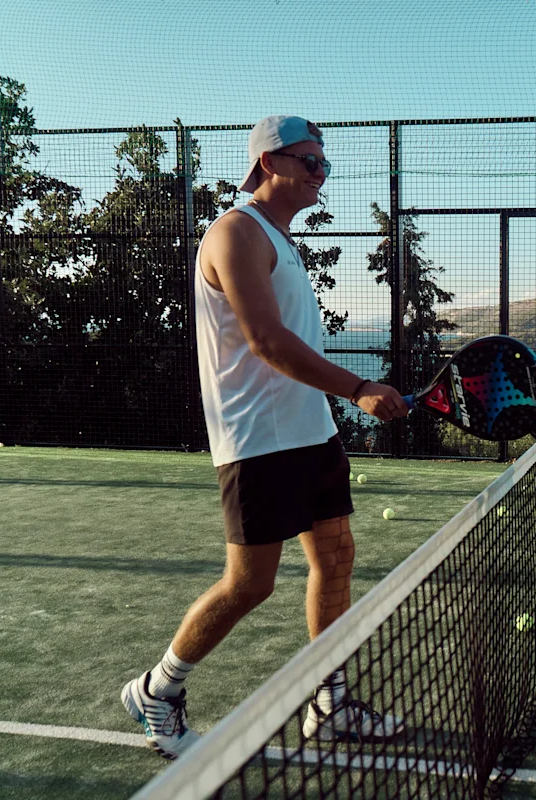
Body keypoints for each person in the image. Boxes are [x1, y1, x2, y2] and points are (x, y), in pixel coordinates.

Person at [121, 115, 408, 759]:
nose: (321, 176)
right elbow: (267, 342)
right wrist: (357, 387)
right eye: (310, 163)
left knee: (335, 560)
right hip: (257, 442)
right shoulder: (234, 233)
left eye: (325, 165)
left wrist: (335, 403)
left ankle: (329, 702)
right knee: (251, 584)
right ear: (268, 164)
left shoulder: (279, 236)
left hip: (310, 433)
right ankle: (157, 690)